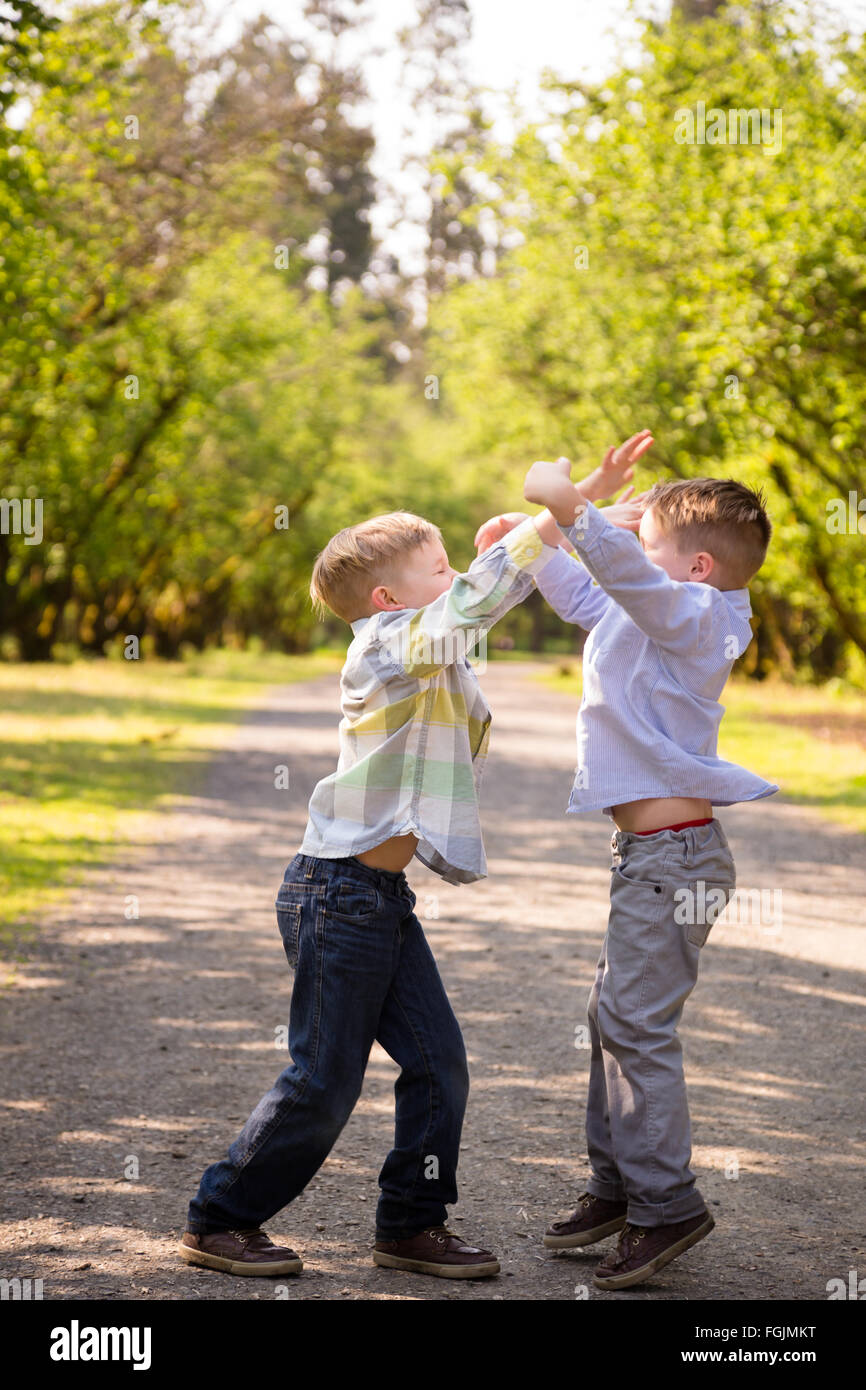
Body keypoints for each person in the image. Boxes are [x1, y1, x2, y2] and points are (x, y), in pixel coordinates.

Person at [176, 499, 575, 1281]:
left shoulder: (428, 647)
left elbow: (469, 611)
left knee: (440, 1065)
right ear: (388, 599)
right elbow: (465, 612)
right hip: (336, 894)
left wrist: (528, 543)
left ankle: (410, 1225)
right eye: (437, 566)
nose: (455, 573)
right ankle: (218, 1217)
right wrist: (547, 523)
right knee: (325, 1077)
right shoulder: (387, 646)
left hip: (379, 900)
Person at [518, 444, 777, 1290]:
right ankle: (618, 1188)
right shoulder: (648, 612)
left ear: (697, 567)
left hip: (678, 859)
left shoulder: (702, 616)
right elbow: (553, 566)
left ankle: (667, 1206)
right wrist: (570, 509)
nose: (632, 542)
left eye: (649, 536)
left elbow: (624, 573)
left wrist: (574, 506)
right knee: (612, 1018)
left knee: (635, 1025)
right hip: (650, 859)